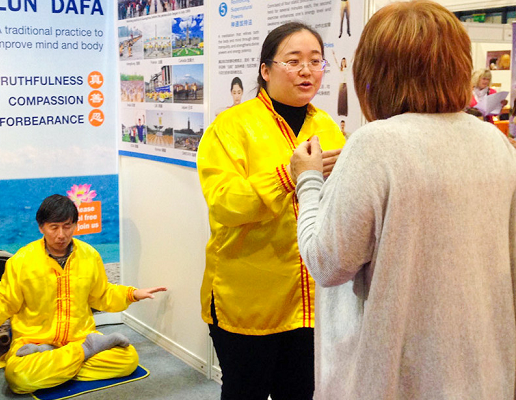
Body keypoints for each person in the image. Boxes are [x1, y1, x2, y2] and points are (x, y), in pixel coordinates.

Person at [290, 1, 516, 399]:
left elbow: (326, 262)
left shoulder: (377, 144)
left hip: (395, 375)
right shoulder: (495, 143)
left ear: (375, 71)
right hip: (481, 369)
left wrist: (308, 180)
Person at [197, 22, 345, 400]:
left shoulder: (327, 125)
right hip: (248, 302)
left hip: (311, 300)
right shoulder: (230, 127)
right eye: (293, 61)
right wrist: (286, 176)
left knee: (299, 392)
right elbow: (225, 203)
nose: (307, 70)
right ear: (265, 70)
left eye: (315, 61)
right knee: (245, 392)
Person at [0, 195, 166, 394]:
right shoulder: (22, 260)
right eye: (53, 227)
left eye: (67, 226)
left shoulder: (90, 256)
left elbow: (102, 294)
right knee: (18, 378)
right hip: (36, 341)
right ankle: (84, 352)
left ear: (75, 225)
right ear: (41, 227)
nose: (61, 235)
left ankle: (57, 363)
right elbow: (4, 298)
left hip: (78, 337)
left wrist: (133, 294)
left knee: (128, 359)